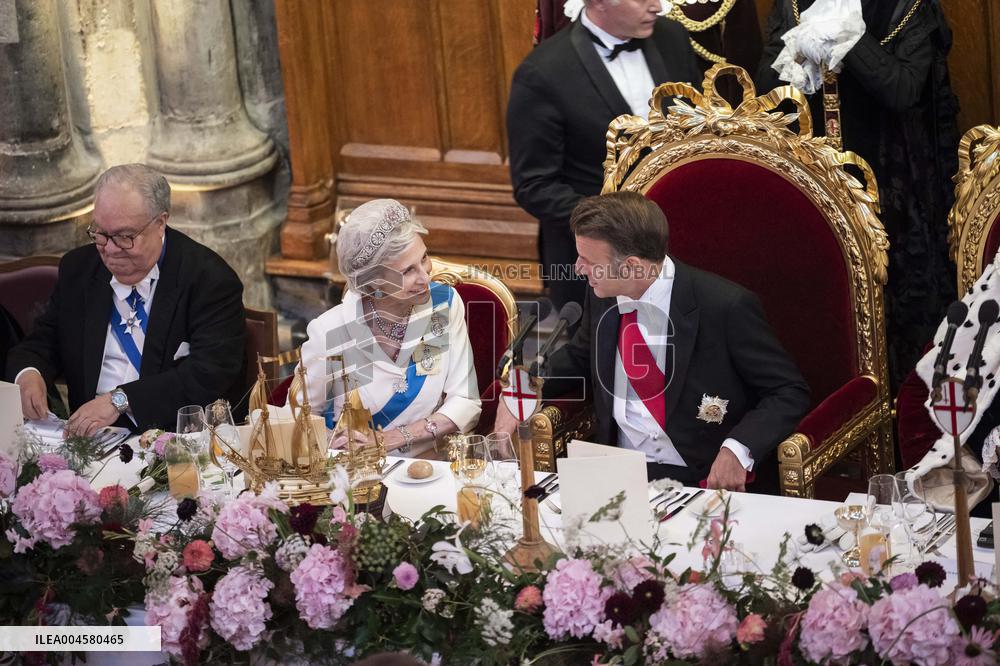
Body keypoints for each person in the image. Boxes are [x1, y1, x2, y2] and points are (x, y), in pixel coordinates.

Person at [494, 192, 810, 490]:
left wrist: (738, 448)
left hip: (698, 474)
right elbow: (580, 357)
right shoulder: (604, 294)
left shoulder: (726, 307)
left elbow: (788, 391)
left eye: (588, 261)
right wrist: (519, 388)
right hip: (615, 472)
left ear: (632, 265)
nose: (578, 269)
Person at [756, 0, 960, 390]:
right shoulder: (793, 4)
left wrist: (849, 36)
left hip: (892, 190)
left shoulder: (909, 5)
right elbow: (767, 89)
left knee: (894, 310)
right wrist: (798, 54)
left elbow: (903, 90)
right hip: (815, 186)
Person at [6, 164, 247, 435]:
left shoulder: (209, 279)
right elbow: (43, 342)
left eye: (124, 237)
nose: (109, 250)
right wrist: (28, 374)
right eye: (99, 233)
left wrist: (120, 401)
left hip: (172, 438)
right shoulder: (79, 269)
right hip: (89, 439)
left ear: (160, 223)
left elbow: (209, 372)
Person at [507, 0, 701, 309]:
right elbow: (535, 186)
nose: (658, 6)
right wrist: (617, 227)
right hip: (598, 267)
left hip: (681, 249)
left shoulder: (673, 38)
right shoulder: (542, 72)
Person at [298, 199, 480, 458]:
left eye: (424, 258)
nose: (426, 277)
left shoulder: (442, 306)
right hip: (357, 476)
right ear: (374, 285)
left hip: (430, 468)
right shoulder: (330, 331)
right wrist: (335, 443)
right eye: (408, 271)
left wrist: (389, 439)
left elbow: (465, 402)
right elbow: (300, 418)